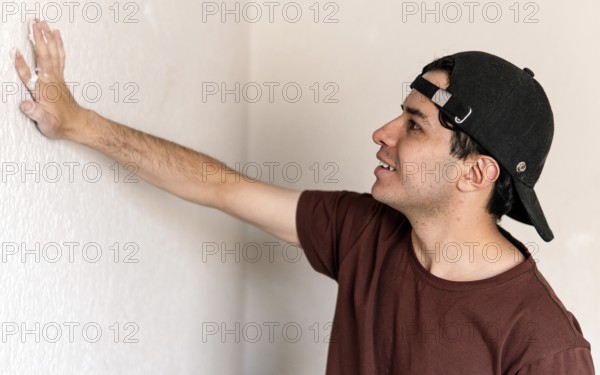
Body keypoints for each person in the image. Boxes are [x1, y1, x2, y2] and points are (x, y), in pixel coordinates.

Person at [13, 20, 595, 374]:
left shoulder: (542, 345)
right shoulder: (364, 231)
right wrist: (79, 123)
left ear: (476, 173)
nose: (382, 133)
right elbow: (219, 186)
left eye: (414, 126)